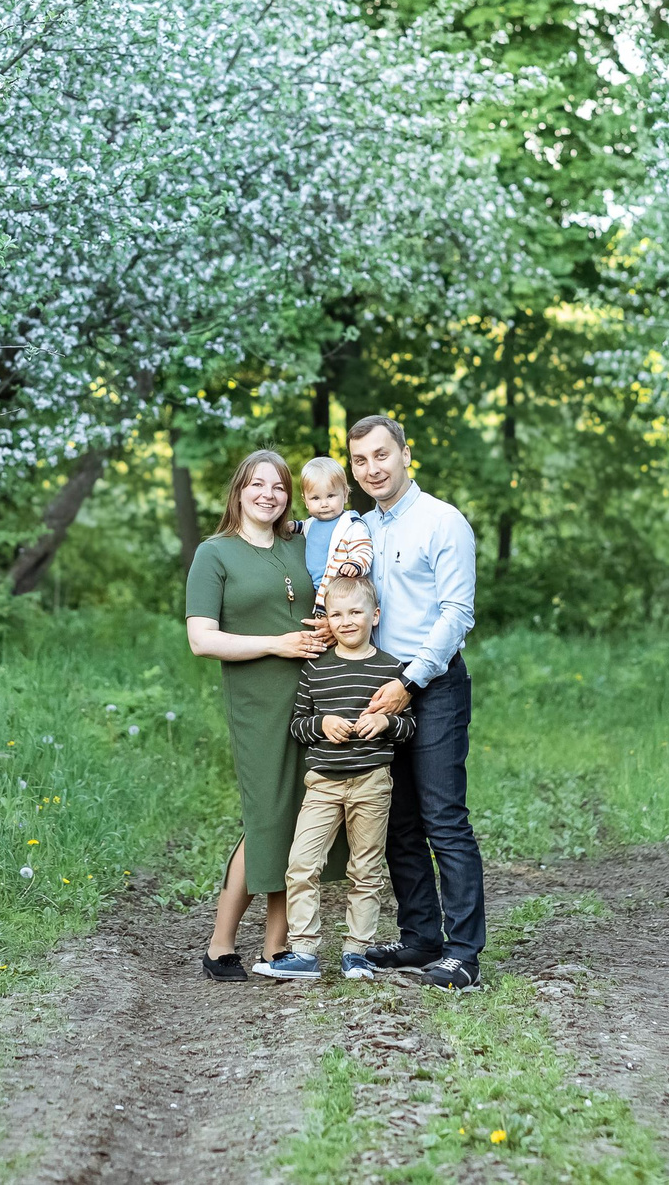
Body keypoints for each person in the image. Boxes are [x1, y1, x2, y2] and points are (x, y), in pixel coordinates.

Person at [346, 413, 485, 989]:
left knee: (442, 817)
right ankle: (421, 935)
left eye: (382, 455)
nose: (372, 468)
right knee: (397, 818)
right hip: (378, 686)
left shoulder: (442, 522)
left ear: (406, 454)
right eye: (360, 460)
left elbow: (458, 614)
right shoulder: (360, 528)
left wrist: (411, 682)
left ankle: (463, 953)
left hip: (431, 685)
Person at [183, 448, 326, 981]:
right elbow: (202, 640)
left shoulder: (298, 543)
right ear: (239, 491)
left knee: (304, 814)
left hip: (315, 692)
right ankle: (221, 944)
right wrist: (278, 645)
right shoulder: (214, 553)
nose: (269, 494)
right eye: (257, 484)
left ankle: (277, 949)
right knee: (267, 814)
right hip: (258, 699)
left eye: (279, 486)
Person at [257, 575, 414, 982]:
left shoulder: (391, 669)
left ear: (374, 616)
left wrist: (385, 720)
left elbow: (409, 726)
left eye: (356, 612)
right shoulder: (315, 670)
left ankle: (356, 952)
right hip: (323, 783)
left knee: (366, 869)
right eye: (336, 614)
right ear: (327, 619)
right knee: (301, 864)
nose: (346, 621)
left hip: (372, 782)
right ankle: (304, 951)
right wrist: (321, 722)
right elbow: (297, 725)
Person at [298, 455, 374, 618]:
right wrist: (293, 526)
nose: (324, 503)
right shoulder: (311, 524)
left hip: (341, 592)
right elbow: (303, 526)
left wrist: (356, 564)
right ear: (306, 501)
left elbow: (364, 549)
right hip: (316, 591)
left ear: (345, 494)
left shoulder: (351, 524)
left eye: (331, 496)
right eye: (316, 498)